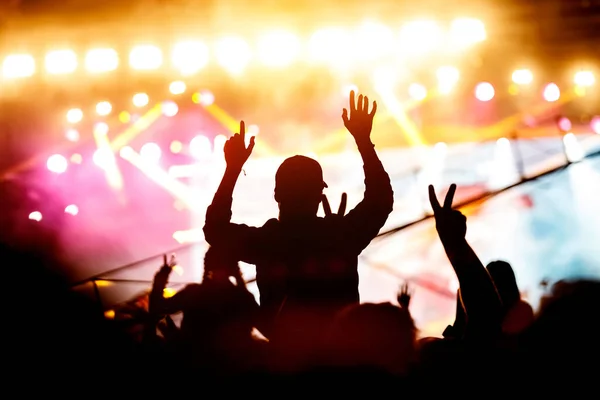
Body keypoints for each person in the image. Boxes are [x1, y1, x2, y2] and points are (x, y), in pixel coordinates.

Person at [203, 91, 394, 367]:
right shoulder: (339, 236)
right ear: (320, 194)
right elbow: (380, 201)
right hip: (343, 367)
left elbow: (215, 230)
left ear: (277, 194)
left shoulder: (267, 242)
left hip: (286, 367)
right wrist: (363, 141)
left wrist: (232, 169)